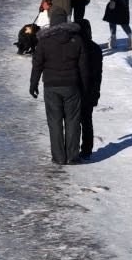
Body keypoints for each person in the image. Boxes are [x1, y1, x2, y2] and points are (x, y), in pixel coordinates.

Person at [29, 11, 91, 165]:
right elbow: (83, 67)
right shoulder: (76, 40)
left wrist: (33, 84)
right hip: (72, 86)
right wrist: (85, 87)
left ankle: (58, 157)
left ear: (52, 22)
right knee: (73, 121)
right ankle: (72, 156)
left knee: (54, 122)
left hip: (51, 87)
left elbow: (37, 64)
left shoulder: (44, 42)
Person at [76, 19, 103, 160]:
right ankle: (87, 150)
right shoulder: (96, 48)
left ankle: (74, 148)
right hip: (92, 89)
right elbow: (98, 73)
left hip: (77, 88)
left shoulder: (75, 46)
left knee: (75, 120)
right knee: (87, 121)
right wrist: (96, 92)